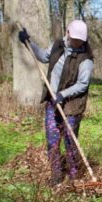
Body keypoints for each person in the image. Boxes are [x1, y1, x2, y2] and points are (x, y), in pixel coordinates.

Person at [18, 20, 94, 186]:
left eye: (81, 39)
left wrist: (63, 94)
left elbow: (82, 84)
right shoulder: (58, 46)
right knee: (52, 141)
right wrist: (28, 42)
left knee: (70, 142)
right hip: (53, 103)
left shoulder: (85, 59)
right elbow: (44, 57)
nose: (77, 42)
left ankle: (75, 179)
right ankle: (56, 179)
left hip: (72, 106)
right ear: (68, 33)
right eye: (75, 38)